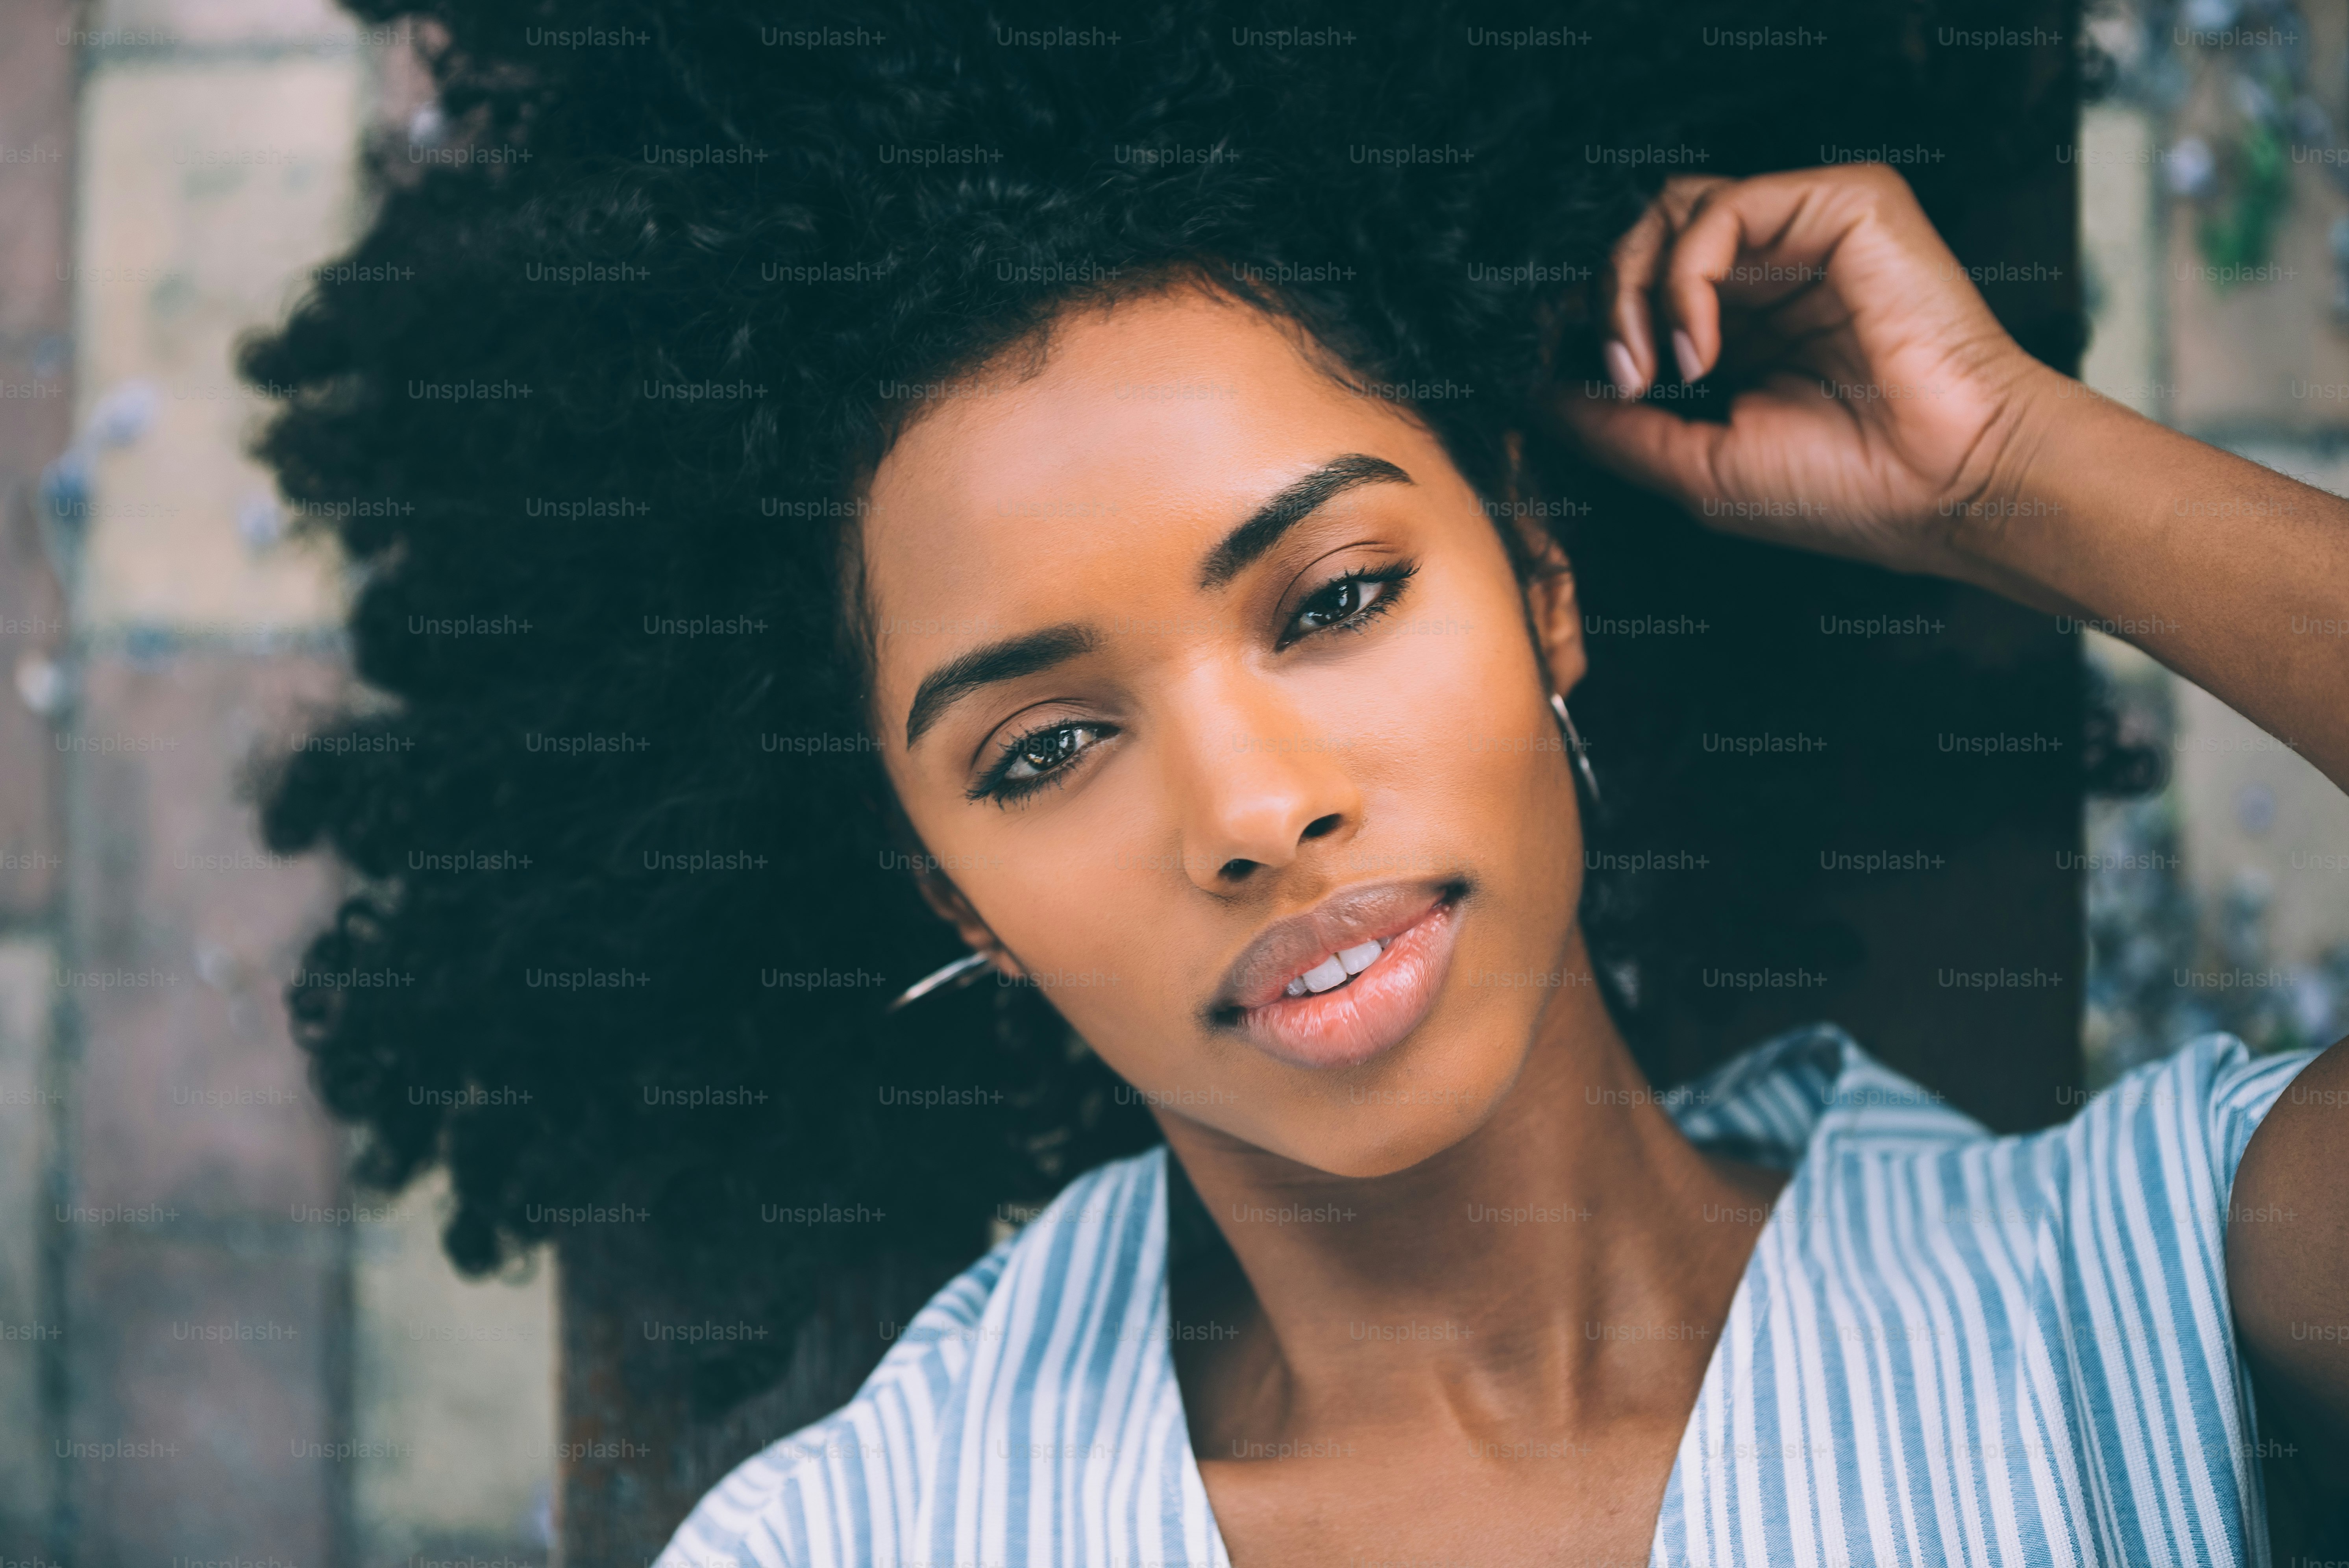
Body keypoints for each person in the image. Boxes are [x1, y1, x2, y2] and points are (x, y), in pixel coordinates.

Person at [237, 7, 2343, 1562]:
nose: (1251, 808)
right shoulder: (869, 1539)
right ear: (950, 885)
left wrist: (2011, 476)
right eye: (1045, 748)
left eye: (1331, 598)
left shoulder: (2130, 1282)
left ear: (1541, 586)